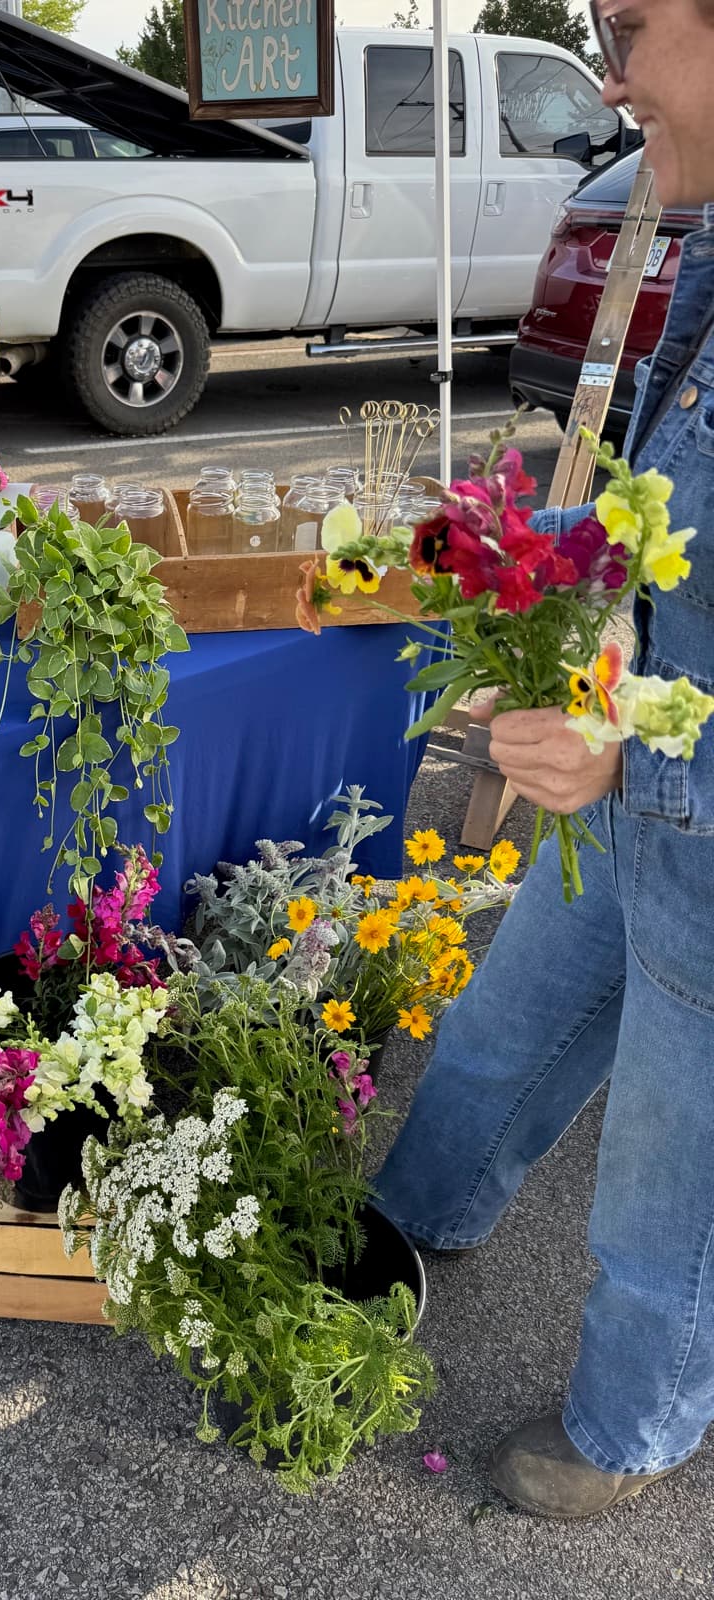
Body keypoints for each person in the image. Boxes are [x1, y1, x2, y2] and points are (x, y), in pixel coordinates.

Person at [373, 0, 714, 1521]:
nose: (610, 69)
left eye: (634, 24)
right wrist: (555, 603)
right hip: (638, 781)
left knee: (672, 1152)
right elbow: (661, 541)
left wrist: (634, 725)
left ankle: (632, 1427)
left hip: (693, 805)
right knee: (510, 1020)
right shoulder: (694, 241)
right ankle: (413, 1219)